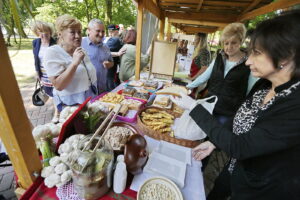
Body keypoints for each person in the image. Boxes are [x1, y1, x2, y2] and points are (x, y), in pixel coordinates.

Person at [173, 10, 300, 200]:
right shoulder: (265, 84)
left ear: (285, 57)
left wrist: (193, 108)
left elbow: (241, 146)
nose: (248, 61)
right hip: (235, 168)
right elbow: (241, 116)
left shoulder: (294, 106)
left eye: (256, 53)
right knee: (217, 191)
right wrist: (213, 142)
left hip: (262, 189)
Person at [186, 23, 250, 123]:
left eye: (233, 43)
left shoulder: (249, 63)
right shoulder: (219, 57)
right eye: (226, 43)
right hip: (209, 105)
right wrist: (187, 87)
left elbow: (250, 90)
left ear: (241, 42)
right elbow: (205, 76)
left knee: (218, 136)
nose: (229, 47)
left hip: (228, 112)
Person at [44, 15, 97, 111]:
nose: (78, 36)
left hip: (88, 99)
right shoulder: (52, 52)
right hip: (70, 105)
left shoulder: (81, 50)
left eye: (79, 32)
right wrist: (74, 63)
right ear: (60, 34)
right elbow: (58, 85)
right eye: (72, 32)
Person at [32, 21, 59, 122]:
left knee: (56, 93)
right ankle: (57, 110)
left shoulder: (55, 43)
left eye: (45, 30)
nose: (43, 34)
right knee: (50, 94)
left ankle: (57, 114)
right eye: (40, 31)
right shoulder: (36, 42)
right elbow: (36, 58)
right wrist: (37, 72)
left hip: (55, 73)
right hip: (44, 74)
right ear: (37, 33)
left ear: (50, 31)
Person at [82, 19, 114, 94]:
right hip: (87, 92)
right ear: (89, 30)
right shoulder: (80, 44)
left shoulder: (105, 46)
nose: (101, 34)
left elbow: (112, 62)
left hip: (102, 89)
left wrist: (109, 64)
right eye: (98, 31)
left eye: (103, 31)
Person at [106, 24, 126, 91]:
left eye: (111, 31)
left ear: (116, 31)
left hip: (109, 67)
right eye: (109, 31)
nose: (110, 33)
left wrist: (117, 54)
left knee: (109, 86)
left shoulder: (114, 40)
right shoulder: (118, 39)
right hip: (113, 66)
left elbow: (103, 52)